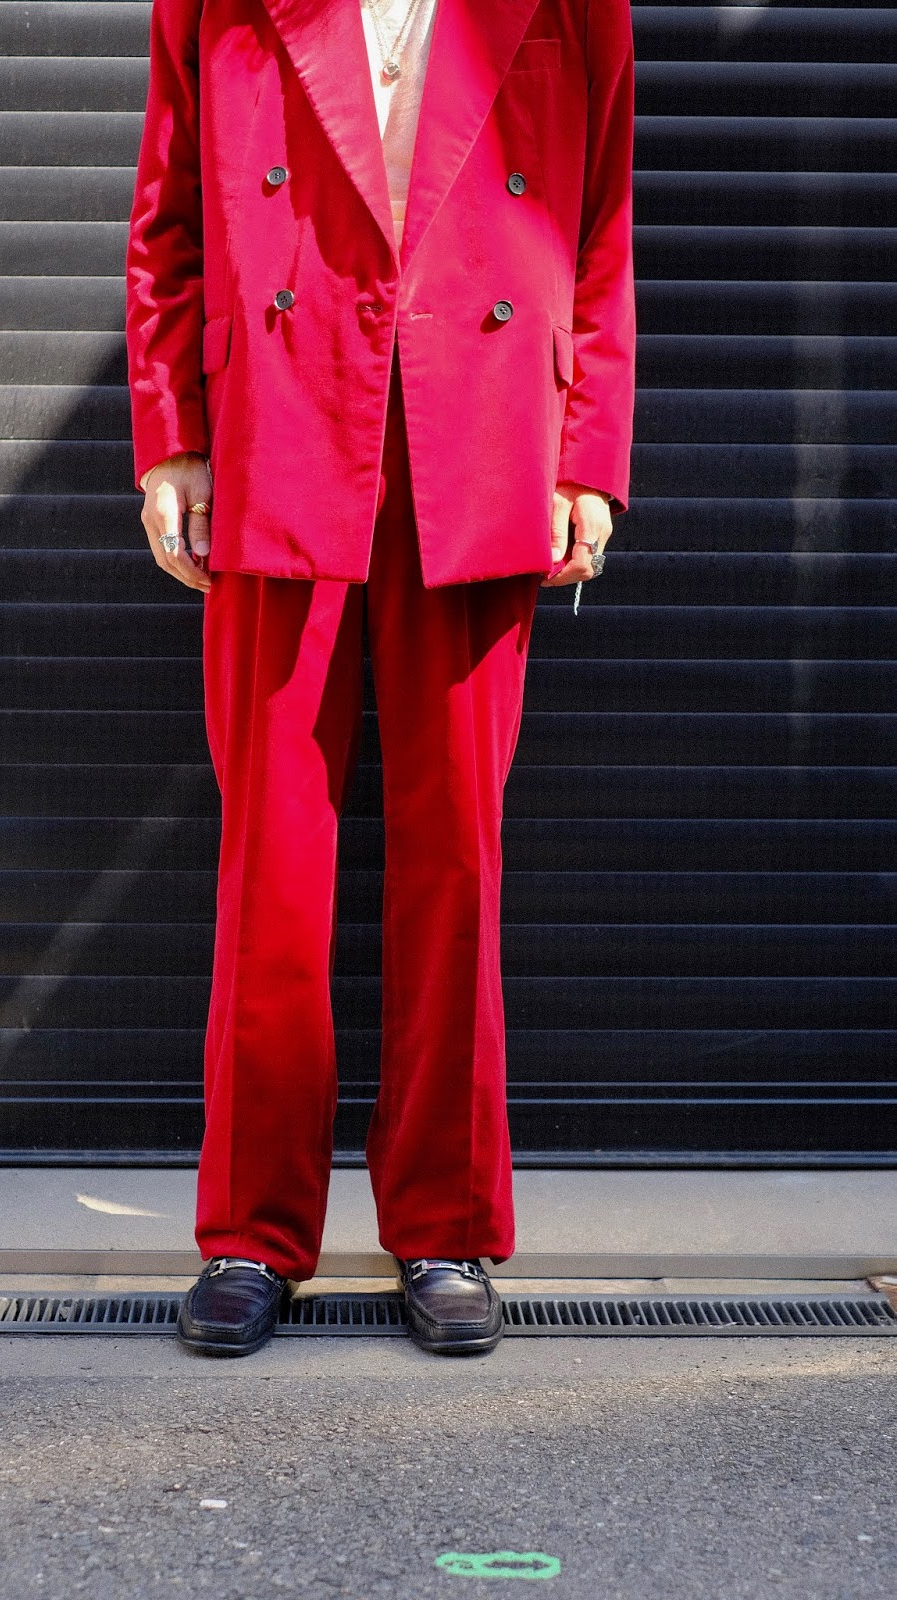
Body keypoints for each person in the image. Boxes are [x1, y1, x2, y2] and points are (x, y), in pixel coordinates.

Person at [125, 0, 635, 1357]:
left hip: (483, 427)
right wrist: (171, 434)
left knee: (457, 852)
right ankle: (250, 1230)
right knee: (270, 856)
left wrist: (588, 452)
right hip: (280, 418)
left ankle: (446, 1223)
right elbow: (168, 216)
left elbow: (601, 225)